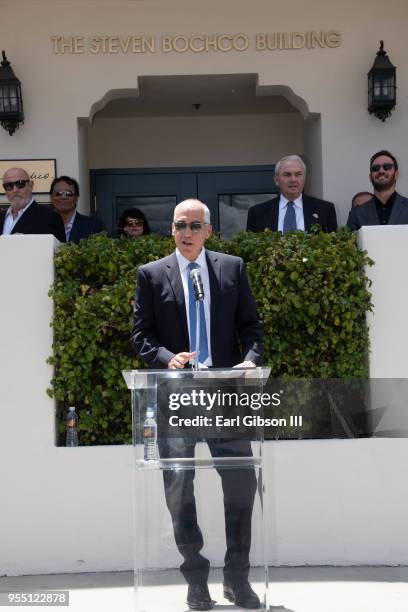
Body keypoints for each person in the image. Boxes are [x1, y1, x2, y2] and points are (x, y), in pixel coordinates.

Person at [131, 199, 263, 611]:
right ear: (171, 231)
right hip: (177, 396)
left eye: (194, 225)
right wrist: (166, 357)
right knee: (179, 491)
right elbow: (141, 336)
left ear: (208, 231)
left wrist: (249, 361)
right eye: (179, 225)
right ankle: (196, 579)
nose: (186, 232)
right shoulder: (151, 275)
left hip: (224, 395)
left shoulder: (231, 268)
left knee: (242, 484)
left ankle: (237, 580)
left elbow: (252, 329)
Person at [246, 154, 337, 233]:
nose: (293, 180)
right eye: (287, 175)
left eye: (298, 174)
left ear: (304, 178)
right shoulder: (257, 213)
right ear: (276, 180)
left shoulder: (325, 210)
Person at [0, 167, 65, 242]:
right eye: (9, 186)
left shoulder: (49, 217)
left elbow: (59, 250)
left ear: (31, 185)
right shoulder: (1, 217)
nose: (15, 190)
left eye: (20, 184)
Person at [347, 151, 408, 229]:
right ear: (370, 177)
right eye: (376, 168)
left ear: (396, 174)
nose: (381, 171)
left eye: (387, 167)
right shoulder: (356, 214)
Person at [50, 175, 102, 243]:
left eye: (68, 193)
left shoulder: (92, 225)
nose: (63, 197)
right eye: (58, 193)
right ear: (51, 197)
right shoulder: (42, 224)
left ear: (76, 198)